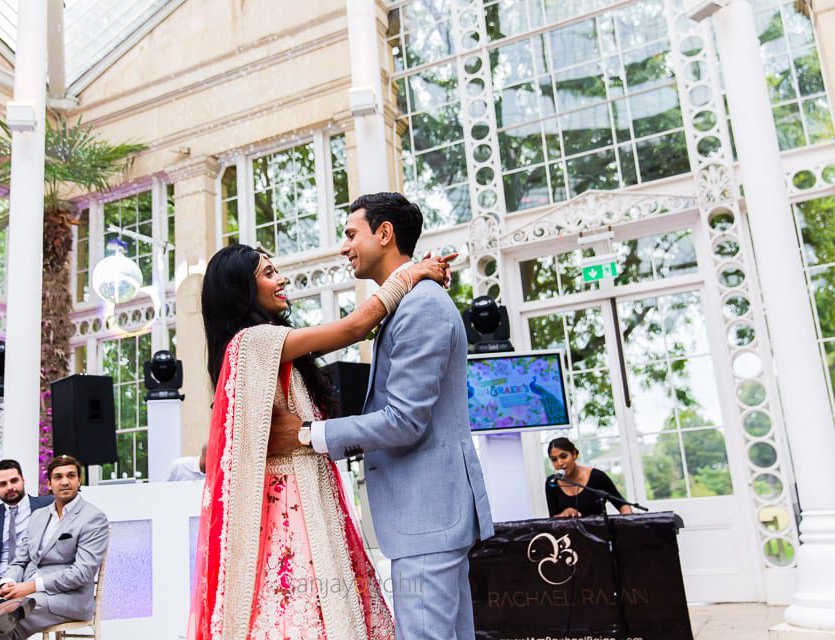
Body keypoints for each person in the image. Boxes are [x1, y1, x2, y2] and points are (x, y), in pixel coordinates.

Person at [188, 241, 449, 639]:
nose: (282, 278)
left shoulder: (259, 345)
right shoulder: (252, 341)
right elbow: (354, 327)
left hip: (307, 491)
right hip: (290, 507)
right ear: (241, 289)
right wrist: (409, 275)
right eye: (268, 272)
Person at [269, 192, 495, 640]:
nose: (344, 246)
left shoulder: (421, 305)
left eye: (351, 233)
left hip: (429, 516)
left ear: (385, 233)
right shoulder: (408, 302)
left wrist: (309, 434)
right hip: (429, 515)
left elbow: (403, 421)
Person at [0, 455, 109, 639]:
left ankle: (6, 611)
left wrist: (32, 586)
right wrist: (8, 582)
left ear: (79, 480)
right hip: (22, 594)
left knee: (2, 626)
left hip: (65, 597)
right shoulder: (38, 516)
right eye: (58, 477)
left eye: (70, 476)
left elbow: (82, 573)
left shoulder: (93, 518)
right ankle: (0, 608)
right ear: (49, 483)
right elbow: (20, 560)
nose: (65, 482)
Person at [545, 437, 633, 518]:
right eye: (554, 459)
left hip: (598, 533)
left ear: (574, 454)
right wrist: (563, 514)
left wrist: (627, 524)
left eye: (563, 456)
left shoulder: (596, 476)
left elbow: (623, 506)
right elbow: (552, 519)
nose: (560, 463)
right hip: (568, 534)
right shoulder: (552, 483)